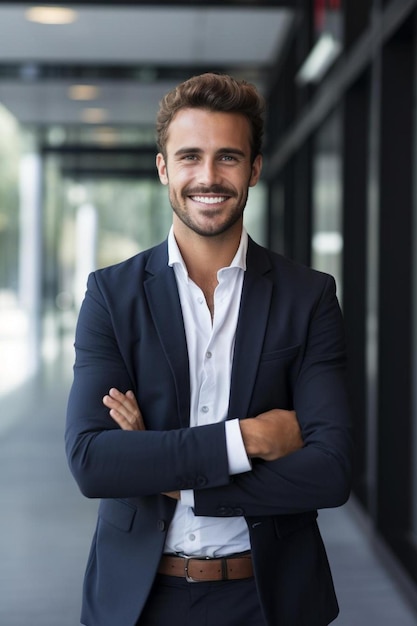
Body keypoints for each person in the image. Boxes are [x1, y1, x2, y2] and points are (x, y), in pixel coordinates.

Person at [65, 72, 353, 626]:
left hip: (269, 600)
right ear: (163, 168)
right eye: (190, 156)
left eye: (227, 157)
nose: (208, 176)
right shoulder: (112, 295)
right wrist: (249, 439)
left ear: (254, 169)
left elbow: (331, 471)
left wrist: (164, 468)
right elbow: (93, 462)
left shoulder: (309, 297)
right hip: (139, 600)